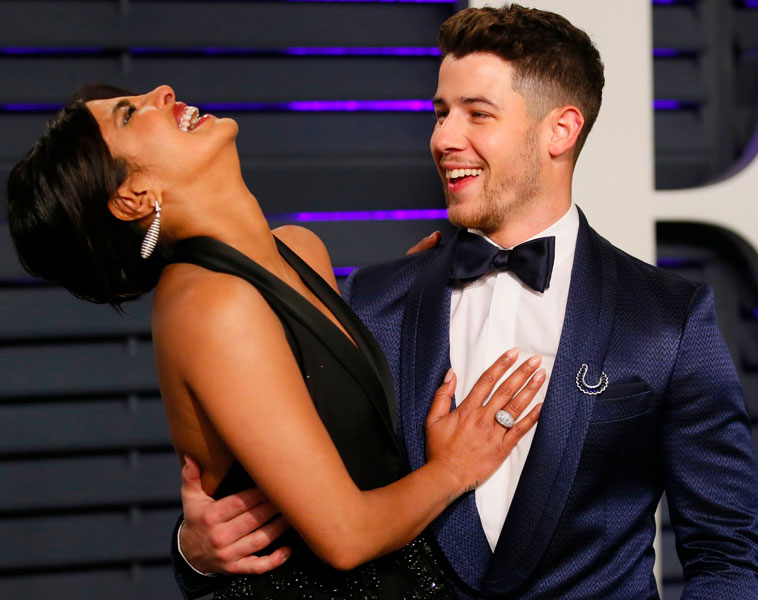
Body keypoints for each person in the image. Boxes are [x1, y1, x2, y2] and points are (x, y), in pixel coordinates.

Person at [176, 5, 758, 599]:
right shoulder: (366, 304)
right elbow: (298, 501)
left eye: (476, 114)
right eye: (440, 114)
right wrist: (196, 551)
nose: (443, 138)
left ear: (560, 130)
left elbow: (726, 553)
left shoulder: (669, 318)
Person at [6, 81, 552, 599]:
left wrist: (411, 294)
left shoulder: (299, 249)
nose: (163, 92)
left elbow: (348, 419)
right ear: (133, 196)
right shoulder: (209, 307)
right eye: (129, 114)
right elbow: (346, 536)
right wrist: (457, 466)